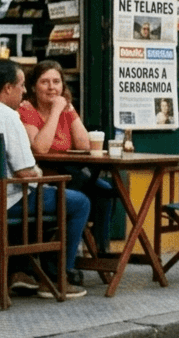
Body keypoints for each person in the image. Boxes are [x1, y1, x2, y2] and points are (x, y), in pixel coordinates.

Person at [0, 59, 90, 298]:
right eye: (21, 85)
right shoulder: (9, 117)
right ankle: (56, 276)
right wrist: (40, 175)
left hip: (8, 195)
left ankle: (23, 270)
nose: (24, 91)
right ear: (8, 88)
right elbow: (25, 171)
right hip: (9, 199)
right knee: (80, 201)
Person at [19, 59, 112, 285]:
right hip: (43, 175)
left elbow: (85, 145)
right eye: (45, 82)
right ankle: (61, 264)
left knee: (105, 191)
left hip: (68, 173)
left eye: (57, 82)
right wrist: (55, 111)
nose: (52, 87)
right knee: (83, 195)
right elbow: (39, 147)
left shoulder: (65, 108)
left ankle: (99, 251)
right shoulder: (27, 110)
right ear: (33, 87)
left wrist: (69, 112)